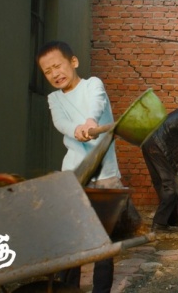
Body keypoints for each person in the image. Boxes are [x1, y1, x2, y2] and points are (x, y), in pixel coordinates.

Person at [36, 40, 119, 293]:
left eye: (58, 66)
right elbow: (61, 123)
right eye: (47, 71)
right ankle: (67, 289)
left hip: (105, 175)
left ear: (73, 62)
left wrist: (91, 121)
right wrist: (78, 130)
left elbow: (97, 104)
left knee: (103, 242)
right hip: (73, 174)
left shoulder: (93, 84)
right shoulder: (54, 99)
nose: (54, 74)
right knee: (70, 239)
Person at [141, 107, 178, 233]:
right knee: (173, 185)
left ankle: (170, 221)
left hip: (148, 142)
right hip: (157, 145)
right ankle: (159, 224)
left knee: (162, 184)